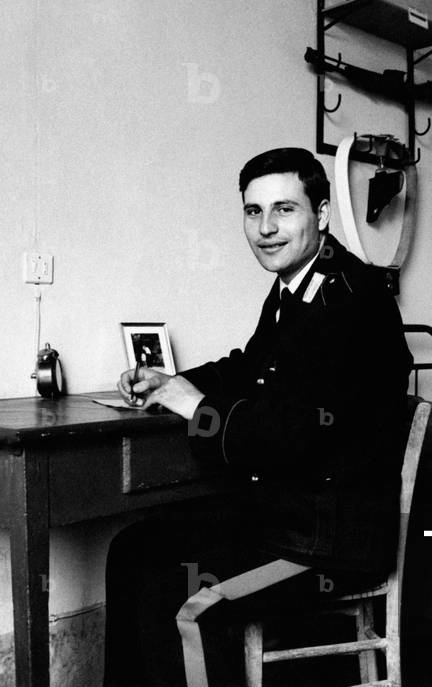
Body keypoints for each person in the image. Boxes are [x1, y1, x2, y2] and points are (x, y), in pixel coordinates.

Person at [104, 147, 413, 686]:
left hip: (325, 541)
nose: (266, 228)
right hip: (283, 516)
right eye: (253, 212)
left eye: (284, 210)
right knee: (132, 550)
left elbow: (293, 434)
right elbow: (251, 367)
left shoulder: (352, 300)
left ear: (319, 214)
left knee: (177, 596)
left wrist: (192, 407)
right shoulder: (295, 285)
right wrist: (176, 382)